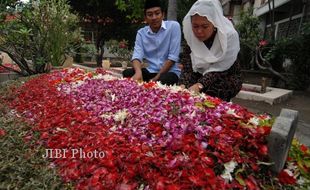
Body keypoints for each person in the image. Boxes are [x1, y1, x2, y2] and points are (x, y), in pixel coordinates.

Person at [178, 0, 242, 101]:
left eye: (205, 26)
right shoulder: (191, 38)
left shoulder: (228, 37)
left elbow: (221, 69)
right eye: (195, 26)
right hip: (199, 75)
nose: (199, 31)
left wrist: (200, 85)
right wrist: (182, 85)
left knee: (209, 93)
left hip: (225, 76)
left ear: (214, 23)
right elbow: (187, 67)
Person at [122, 0, 181, 85]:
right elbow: (136, 56)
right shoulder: (141, 33)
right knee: (127, 73)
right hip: (151, 71)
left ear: (163, 15)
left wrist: (155, 79)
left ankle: (152, 85)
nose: (154, 17)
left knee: (164, 81)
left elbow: (172, 58)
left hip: (169, 72)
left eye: (157, 13)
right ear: (145, 18)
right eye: (150, 15)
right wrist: (138, 72)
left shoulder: (173, 27)